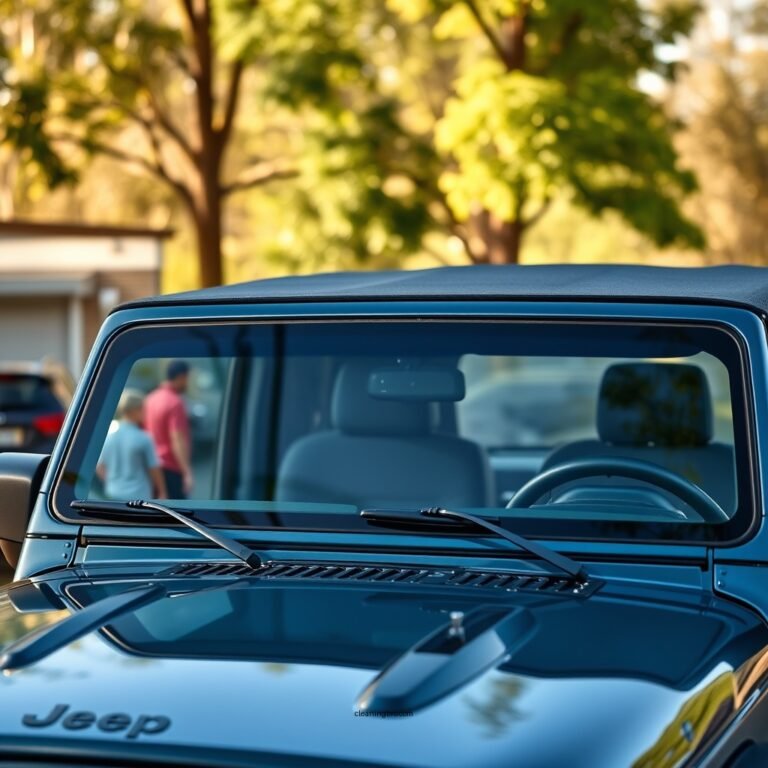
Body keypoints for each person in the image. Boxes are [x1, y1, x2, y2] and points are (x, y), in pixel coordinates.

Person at [97, 390, 167, 500]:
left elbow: (100, 467)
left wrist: (112, 481)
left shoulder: (108, 436)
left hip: (113, 493)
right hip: (138, 495)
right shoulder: (143, 438)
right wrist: (163, 492)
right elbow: (154, 468)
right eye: (143, 410)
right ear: (134, 411)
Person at [144, 360, 193, 499]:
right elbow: (177, 438)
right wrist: (186, 471)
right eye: (187, 379)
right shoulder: (175, 402)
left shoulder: (150, 399)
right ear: (181, 377)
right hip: (171, 468)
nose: (187, 383)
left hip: (152, 467)